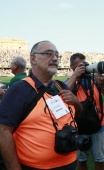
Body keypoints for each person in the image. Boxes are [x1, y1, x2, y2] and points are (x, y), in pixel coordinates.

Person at [0, 41, 83, 170]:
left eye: (57, 55)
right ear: (33, 58)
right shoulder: (20, 89)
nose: (55, 58)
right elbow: (3, 131)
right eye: (49, 54)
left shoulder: (61, 86)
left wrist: (77, 103)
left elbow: (77, 115)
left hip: (70, 163)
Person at [65, 53, 104, 170]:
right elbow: (61, 93)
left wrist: (103, 85)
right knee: (81, 160)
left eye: (85, 65)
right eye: (79, 66)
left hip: (99, 125)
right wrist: (75, 75)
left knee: (100, 159)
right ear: (72, 67)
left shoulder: (94, 79)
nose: (84, 68)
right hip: (79, 127)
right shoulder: (70, 81)